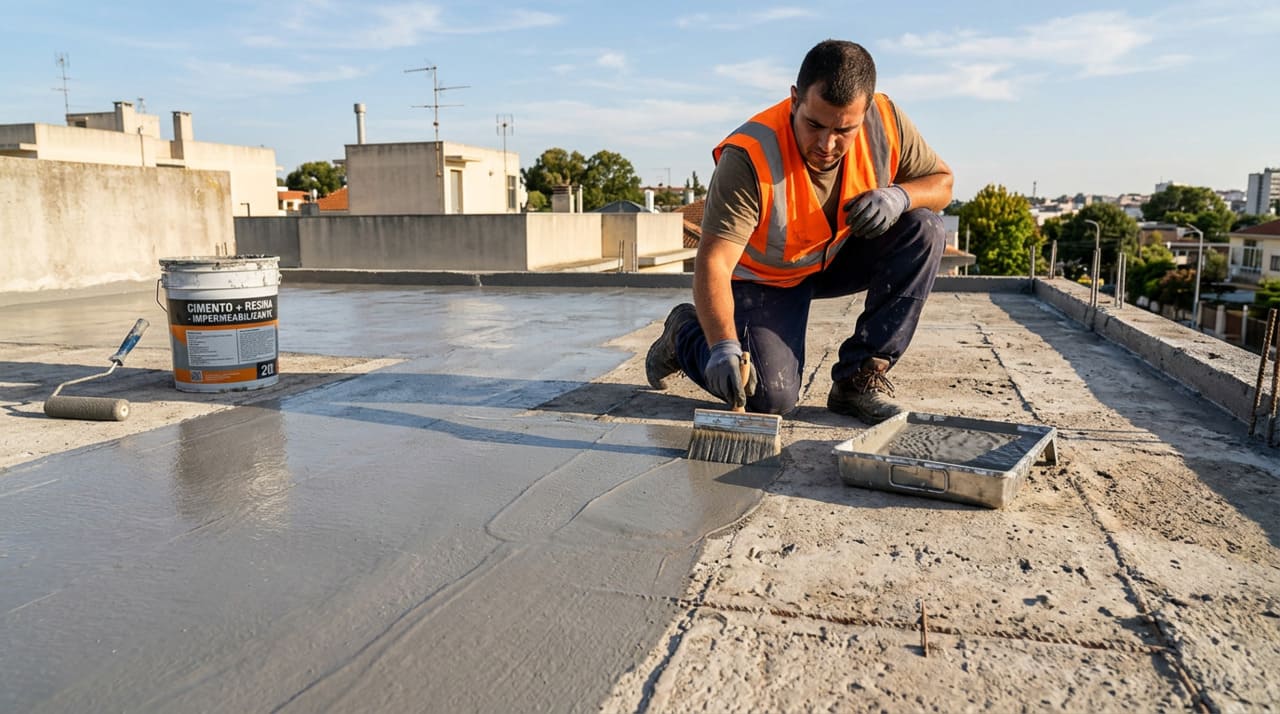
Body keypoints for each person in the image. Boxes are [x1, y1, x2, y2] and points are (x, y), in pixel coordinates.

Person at [646, 39, 953, 424]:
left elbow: (942, 183)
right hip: (767, 279)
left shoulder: (886, 122)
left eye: (844, 130)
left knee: (924, 228)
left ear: (866, 110)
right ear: (794, 99)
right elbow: (714, 263)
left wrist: (899, 196)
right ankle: (684, 334)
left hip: (836, 256)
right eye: (814, 124)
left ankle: (857, 379)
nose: (827, 144)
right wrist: (723, 346)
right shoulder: (750, 157)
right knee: (769, 398)